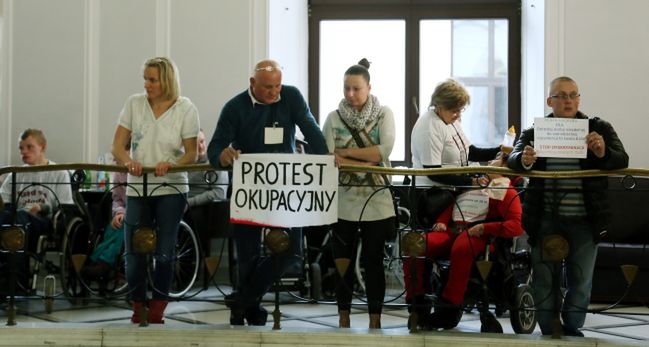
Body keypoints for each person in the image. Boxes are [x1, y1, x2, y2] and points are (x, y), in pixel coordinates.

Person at [207, 59, 328, 326]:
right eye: (268, 88)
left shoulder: (292, 96)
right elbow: (214, 149)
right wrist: (223, 155)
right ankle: (251, 310)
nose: (275, 93)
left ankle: (242, 300)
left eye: (278, 86)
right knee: (247, 253)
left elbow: (312, 130)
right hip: (248, 190)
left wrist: (327, 160)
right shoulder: (234, 107)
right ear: (252, 84)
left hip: (285, 188)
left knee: (292, 252)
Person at [507, 76, 628, 337]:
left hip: (586, 219)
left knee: (581, 279)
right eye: (561, 96)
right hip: (545, 217)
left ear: (579, 99)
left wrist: (602, 152)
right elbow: (513, 158)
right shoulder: (534, 132)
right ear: (550, 101)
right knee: (543, 276)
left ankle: (573, 326)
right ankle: (549, 326)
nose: (568, 100)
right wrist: (525, 159)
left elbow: (621, 159)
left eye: (573, 95)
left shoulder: (599, 128)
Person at [112, 57, 199, 324]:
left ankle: (159, 305)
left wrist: (171, 164)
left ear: (167, 81)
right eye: (145, 79)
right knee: (134, 250)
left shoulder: (186, 108)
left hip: (171, 188)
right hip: (138, 187)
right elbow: (118, 146)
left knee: (164, 251)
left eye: (153, 79)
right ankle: (138, 304)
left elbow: (192, 153)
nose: (147, 84)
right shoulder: (134, 103)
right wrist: (129, 162)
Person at [408, 78, 502, 317]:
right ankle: (422, 305)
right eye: (454, 109)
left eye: (461, 109)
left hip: (451, 195)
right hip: (431, 197)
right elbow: (433, 170)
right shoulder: (430, 124)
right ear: (439, 105)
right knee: (425, 252)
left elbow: (469, 151)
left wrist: (498, 150)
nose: (458, 114)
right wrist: (470, 181)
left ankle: (449, 299)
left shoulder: (450, 121)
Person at [403, 152, 523, 330]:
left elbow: (516, 225)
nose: (490, 161)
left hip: (480, 234)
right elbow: (455, 204)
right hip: (453, 230)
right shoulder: (475, 183)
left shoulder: (507, 190)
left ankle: (450, 307)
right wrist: (442, 221)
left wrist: (485, 228)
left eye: (496, 159)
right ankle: (417, 302)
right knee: (415, 245)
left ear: (506, 168)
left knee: (462, 248)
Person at [321, 58, 395, 329]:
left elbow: (382, 151)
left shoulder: (384, 113)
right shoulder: (332, 118)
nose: (350, 94)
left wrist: (346, 153)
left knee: (373, 262)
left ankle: (375, 318)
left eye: (356, 89)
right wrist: (365, 160)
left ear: (369, 87)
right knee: (342, 262)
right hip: (342, 203)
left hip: (376, 202)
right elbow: (329, 158)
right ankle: (344, 316)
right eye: (346, 88)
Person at [0, 128, 73, 293]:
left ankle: (15, 285)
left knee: (17, 220)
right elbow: (4, 202)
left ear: (42, 147)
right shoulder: (15, 175)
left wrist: (42, 207)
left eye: (29, 147)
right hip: (17, 219)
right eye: (21, 148)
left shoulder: (59, 172)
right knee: (10, 220)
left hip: (42, 221)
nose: (24, 152)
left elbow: (64, 206)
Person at [80, 170, 127, 282]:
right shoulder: (118, 174)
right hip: (124, 213)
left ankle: (103, 263)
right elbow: (117, 199)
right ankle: (99, 262)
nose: (114, 161)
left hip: (142, 215)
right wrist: (119, 212)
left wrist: (127, 214)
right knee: (112, 226)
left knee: (123, 227)